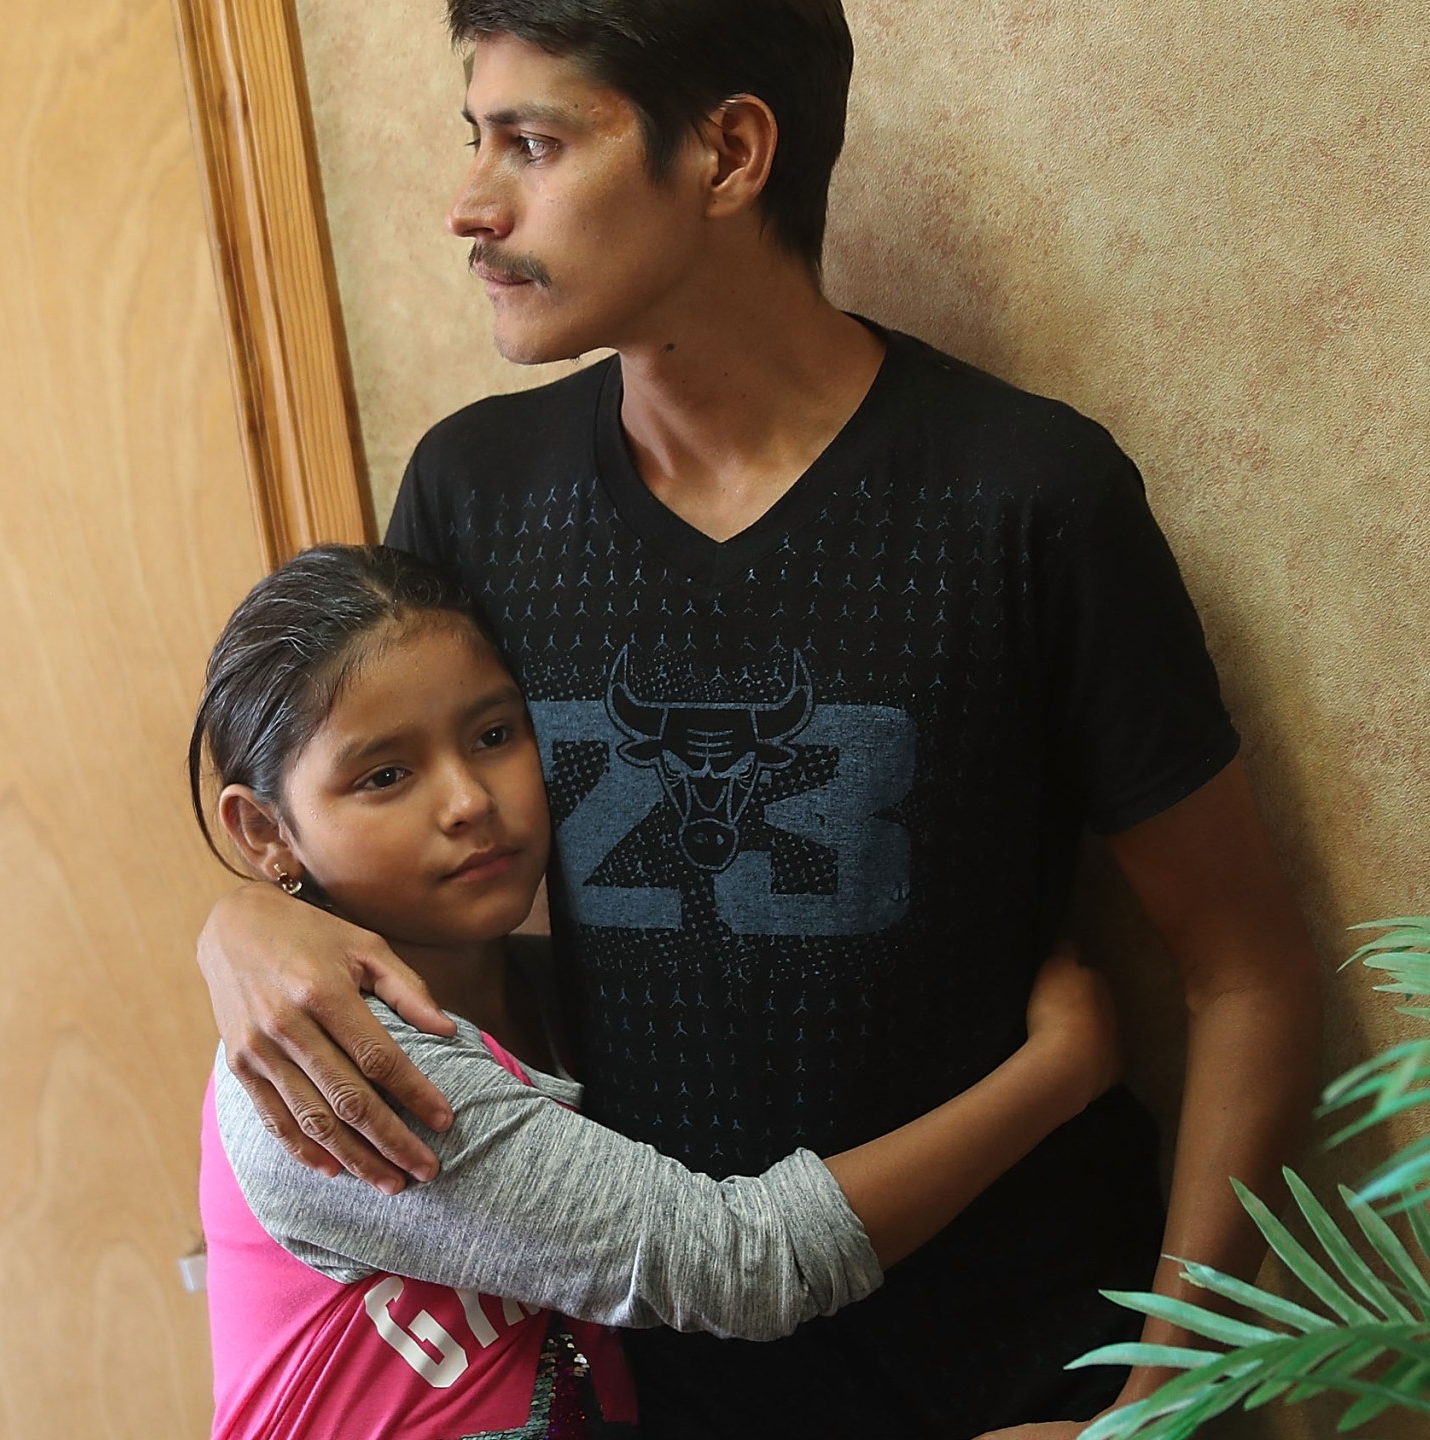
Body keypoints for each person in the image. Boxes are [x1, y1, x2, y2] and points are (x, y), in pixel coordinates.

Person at [197, 4, 1324, 1436]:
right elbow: (368, 824)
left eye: (535, 143)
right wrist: (242, 922)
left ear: (729, 152)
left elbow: (1251, 978)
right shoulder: (476, 495)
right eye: (475, 140)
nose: (469, 206)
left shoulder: (1028, 499)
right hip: (659, 1373)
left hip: (1025, 1372)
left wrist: (1166, 1410)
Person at [193, 544, 1123, 1440]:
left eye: (493, 734)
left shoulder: (569, 993)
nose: (469, 799)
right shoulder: (328, 1065)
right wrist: (1058, 1072)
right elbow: (735, 1266)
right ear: (265, 832)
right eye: (385, 775)